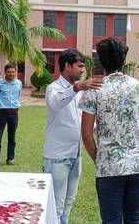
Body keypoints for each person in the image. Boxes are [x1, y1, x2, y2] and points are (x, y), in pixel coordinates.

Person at [79, 38, 139, 224]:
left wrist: (99, 158)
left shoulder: (94, 89)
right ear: (124, 60)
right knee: (134, 219)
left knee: (111, 220)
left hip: (108, 166)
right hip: (136, 166)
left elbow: (86, 134)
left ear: (101, 61)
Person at [43, 49, 102, 224]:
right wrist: (77, 87)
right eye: (80, 66)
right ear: (67, 66)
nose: (82, 70)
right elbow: (55, 104)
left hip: (76, 155)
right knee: (56, 205)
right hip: (57, 157)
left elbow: (84, 121)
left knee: (68, 203)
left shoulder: (80, 92)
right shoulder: (53, 88)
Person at [0, 63, 23, 169]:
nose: (11, 73)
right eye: (9, 71)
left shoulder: (19, 83)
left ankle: (10, 158)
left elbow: (18, 95)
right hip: (2, 112)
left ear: (15, 72)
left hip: (14, 112)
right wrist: (2, 105)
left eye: (13, 71)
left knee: (12, 137)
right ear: (5, 72)